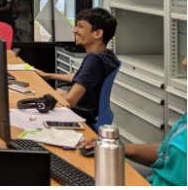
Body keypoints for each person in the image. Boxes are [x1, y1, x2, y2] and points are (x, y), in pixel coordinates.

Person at [80, 56, 187, 187]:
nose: (184, 62)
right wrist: (117, 147)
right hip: (155, 177)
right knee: (85, 172)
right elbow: (169, 153)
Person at [36, 8, 120, 120]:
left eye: (80, 26)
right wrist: (48, 75)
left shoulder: (94, 59)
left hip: (79, 117)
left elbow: (69, 101)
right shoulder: (107, 55)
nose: (74, 30)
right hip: (91, 113)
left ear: (97, 33)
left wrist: (59, 94)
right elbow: (84, 77)